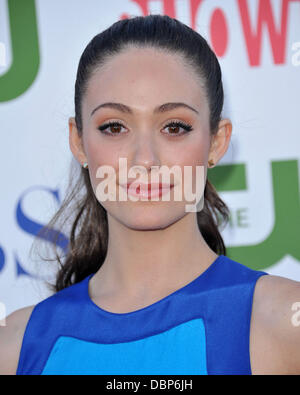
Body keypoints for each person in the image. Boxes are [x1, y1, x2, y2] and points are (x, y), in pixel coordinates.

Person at [1, 14, 299, 375]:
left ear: (216, 142)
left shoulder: (285, 323)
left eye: (174, 127)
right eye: (114, 127)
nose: (145, 159)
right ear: (78, 142)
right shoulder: (15, 346)